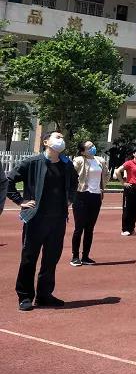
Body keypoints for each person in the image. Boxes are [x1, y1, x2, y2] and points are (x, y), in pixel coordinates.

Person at [7, 131, 78, 311]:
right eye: (57, 137)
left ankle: (44, 295)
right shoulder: (33, 162)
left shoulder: (66, 164)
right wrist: (20, 201)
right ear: (46, 141)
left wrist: (70, 197)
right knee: (29, 258)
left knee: (51, 259)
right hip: (36, 220)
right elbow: (8, 181)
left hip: (58, 220)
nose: (61, 140)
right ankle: (25, 296)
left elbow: (74, 183)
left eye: (62, 137)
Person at [70, 140, 109, 266]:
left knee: (90, 228)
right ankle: (75, 256)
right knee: (79, 228)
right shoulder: (79, 160)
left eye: (93, 145)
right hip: (81, 195)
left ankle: (85, 256)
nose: (93, 148)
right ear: (83, 151)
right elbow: (70, 174)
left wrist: (102, 187)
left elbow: (106, 174)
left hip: (96, 196)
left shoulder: (100, 160)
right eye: (89, 147)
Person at [115, 147, 136, 236]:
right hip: (130, 187)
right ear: (134, 154)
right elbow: (118, 171)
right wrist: (123, 183)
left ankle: (132, 228)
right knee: (127, 209)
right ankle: (125, 229)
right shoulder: (129, 163)